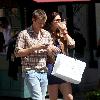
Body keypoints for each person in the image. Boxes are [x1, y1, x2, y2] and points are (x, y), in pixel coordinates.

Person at [14, 9, 60, 100]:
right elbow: (17, 53)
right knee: (38, 98)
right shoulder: (24, 34)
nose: (42, 25)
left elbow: (50, 51)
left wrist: (52, 49)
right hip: (30, 71)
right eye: (40, 23)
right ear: (33, 20)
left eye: (44, 23)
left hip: (43, 71)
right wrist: (34, 48)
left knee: (42, 98)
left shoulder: (46, 34)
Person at [46, 12, 75, 100]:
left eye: (60, 20)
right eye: (57, 20)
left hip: (63, 67)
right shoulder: (46, 34)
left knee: (69, 97)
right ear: (51, 22)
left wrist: (65, 32)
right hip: (51, 67)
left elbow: (72, 44)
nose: (59, 22)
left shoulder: (62, 34)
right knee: (53, 98)